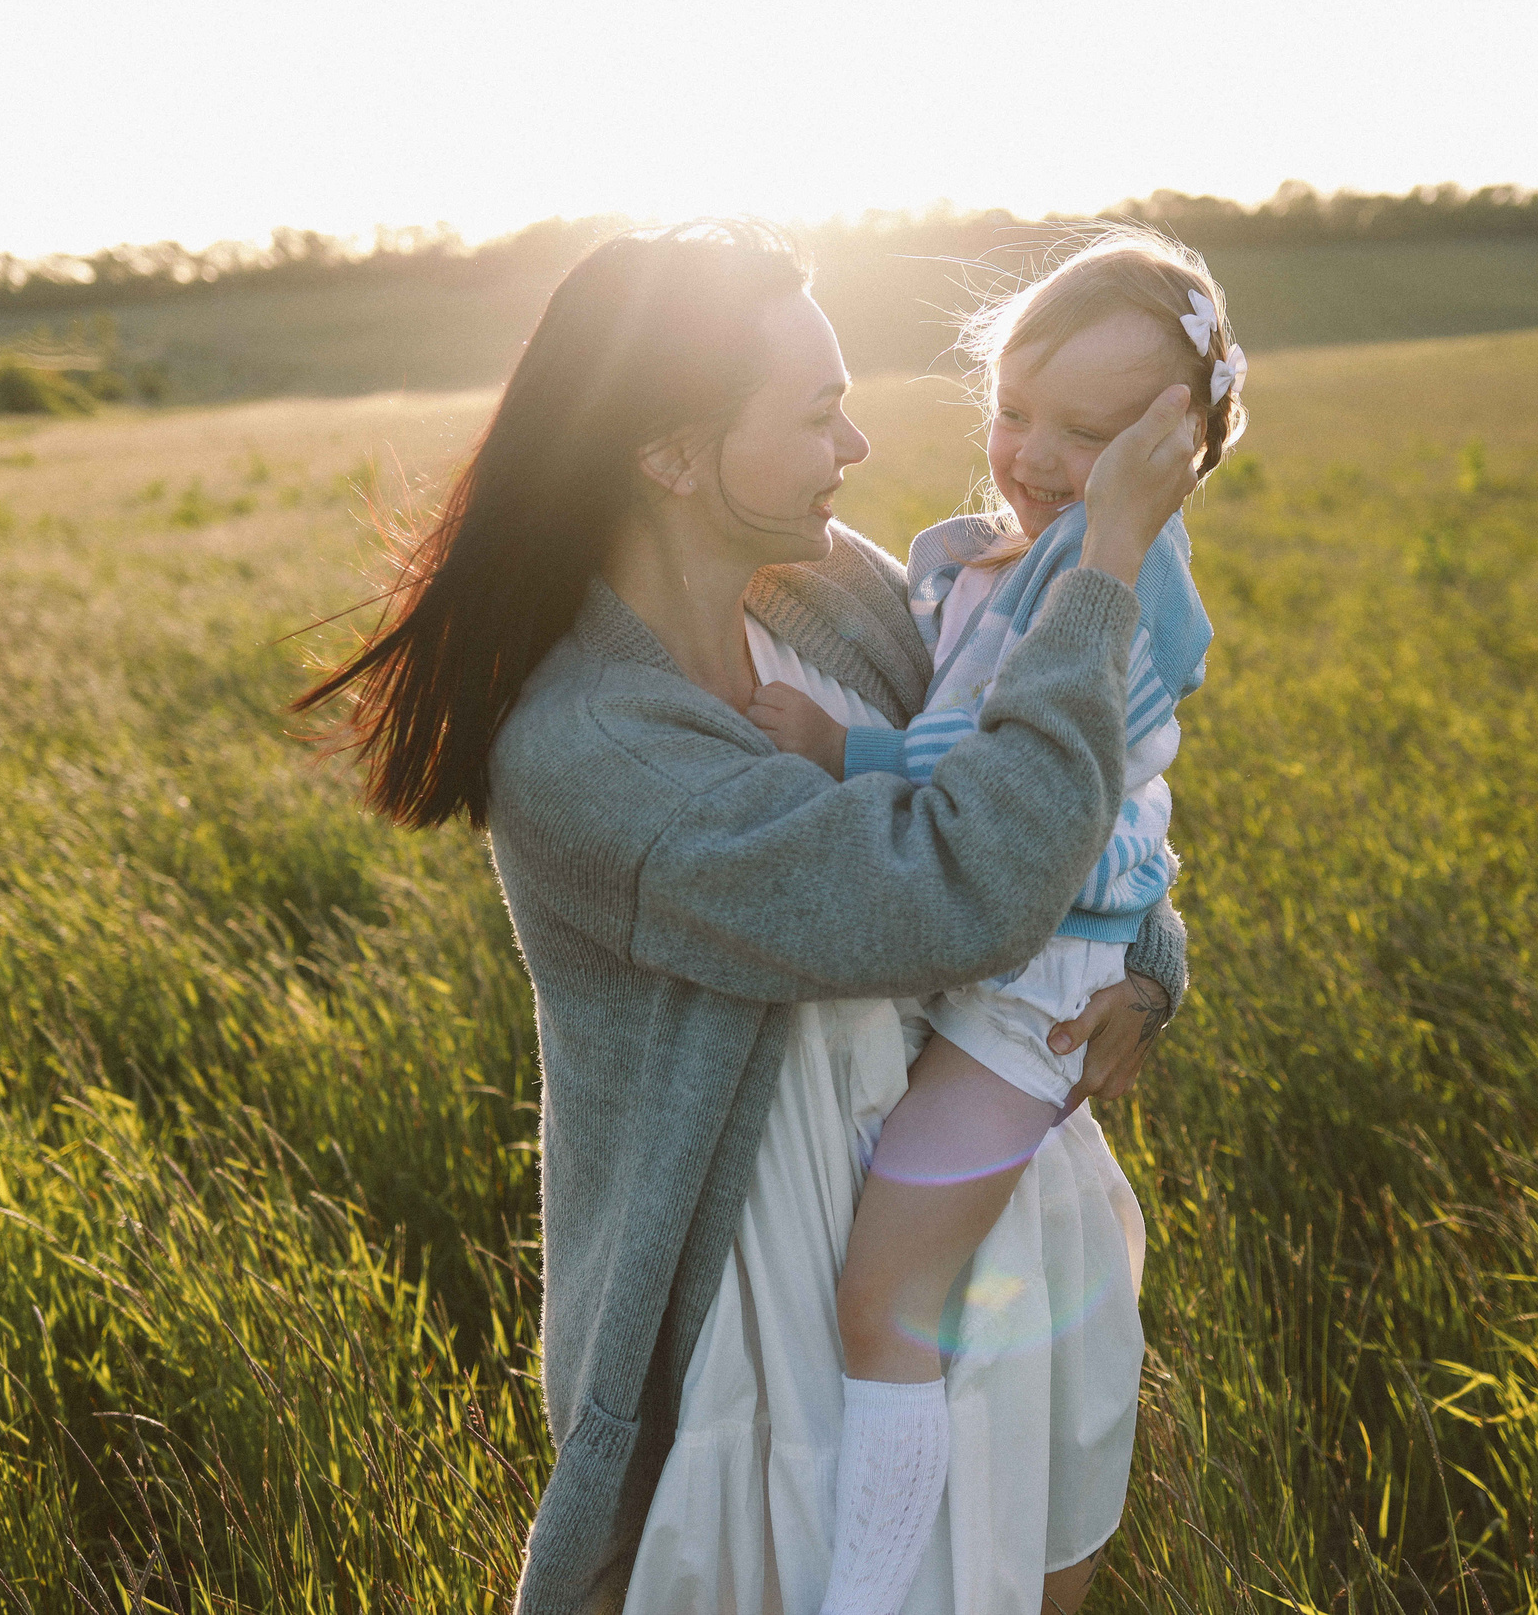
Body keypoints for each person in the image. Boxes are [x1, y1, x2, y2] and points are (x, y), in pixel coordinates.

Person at [294, 219, 1202, 1615]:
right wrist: (1106, 569)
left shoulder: (826, 588)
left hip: (980, 1187)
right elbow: (969, 884)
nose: (855, 452)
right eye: (819, 412)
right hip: (779, 1287)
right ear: (670, 452)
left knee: (1026, 1560)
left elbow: (1059, 778)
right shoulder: (598, 755)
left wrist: (1148, 958)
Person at [748, 229, 1240, 1615]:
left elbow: (1010, 783)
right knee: (901, 1303)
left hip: (1030, 985)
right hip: (1011, 964)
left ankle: (871, 1589)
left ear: (1169, 447)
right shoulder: (991, 563)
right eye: (1014, 409)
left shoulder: (1119, 578)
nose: (1028, 452)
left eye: (1086, 433)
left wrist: (838, 756)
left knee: (882, 1299)